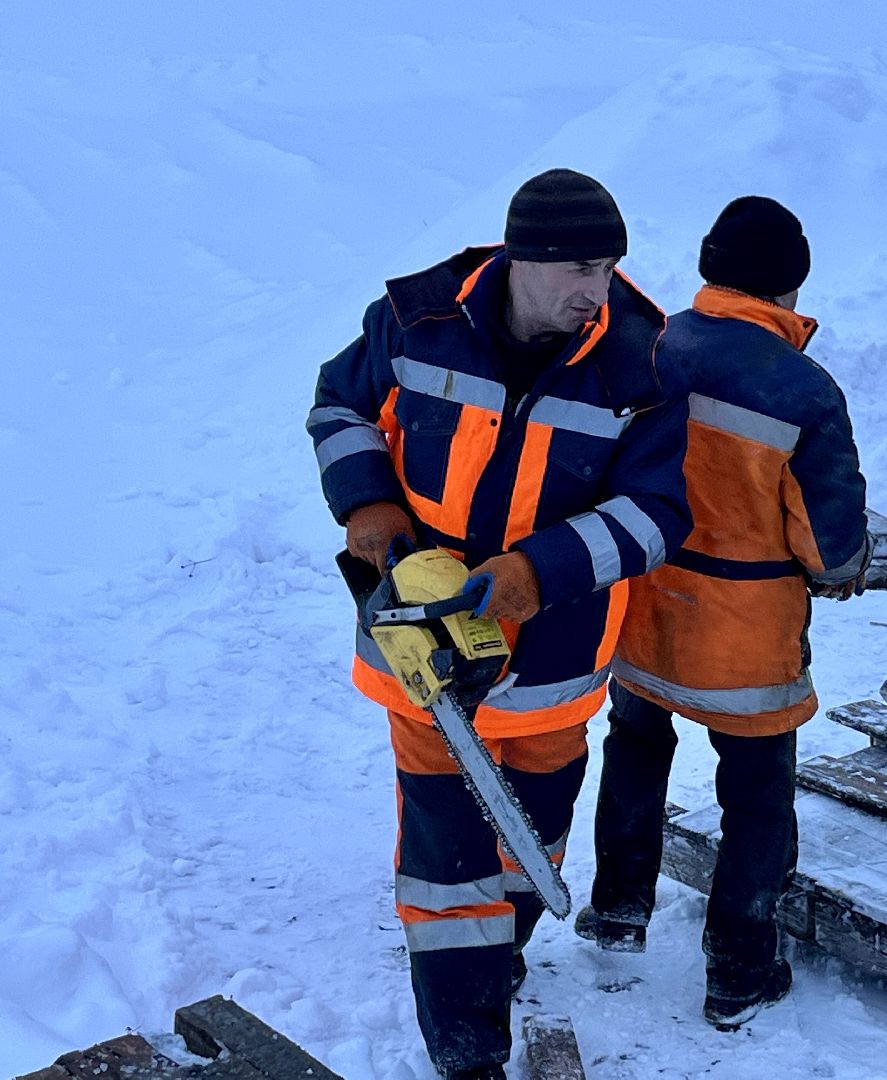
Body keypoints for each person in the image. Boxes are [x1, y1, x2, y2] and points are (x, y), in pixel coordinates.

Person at [306, 168, 691, 1080]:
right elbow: (338, 406)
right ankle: (466, 1041)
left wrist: (537, 571)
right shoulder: (418, 321)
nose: (597, 291)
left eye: (609, 269)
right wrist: (367, 502)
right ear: (524, 259)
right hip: (427, 654)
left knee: (533, 833)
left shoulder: (641, 362)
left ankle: (502, 949)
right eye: (580, 270)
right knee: (448, 857)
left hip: (555, 658)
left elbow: (657, 514)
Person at [575, 196, 871, 1029]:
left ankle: (618, 911)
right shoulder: (803, 390)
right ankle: (739, 972)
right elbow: (828, 541)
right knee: (756, 793)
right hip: (746, 630)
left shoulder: (653, 345)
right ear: (788, 284)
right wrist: (843, 569)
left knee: (635, 747)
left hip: (645, 605)